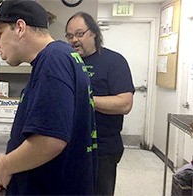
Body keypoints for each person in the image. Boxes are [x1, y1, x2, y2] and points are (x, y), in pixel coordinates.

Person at [0, 0, 97, 195]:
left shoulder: (53, 60)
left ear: (19, 27)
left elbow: (50, 139)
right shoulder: (60, 56)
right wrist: (13, 169)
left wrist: (6, 165)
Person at [65, 12, 135, 195]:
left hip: (103, 150)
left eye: (79, 34)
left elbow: (125, 104)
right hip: (69, 147)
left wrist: (86, 101)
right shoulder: (67, 62)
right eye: (70, 36)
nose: (74, 40)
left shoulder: (114, 61)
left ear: (94, 33)